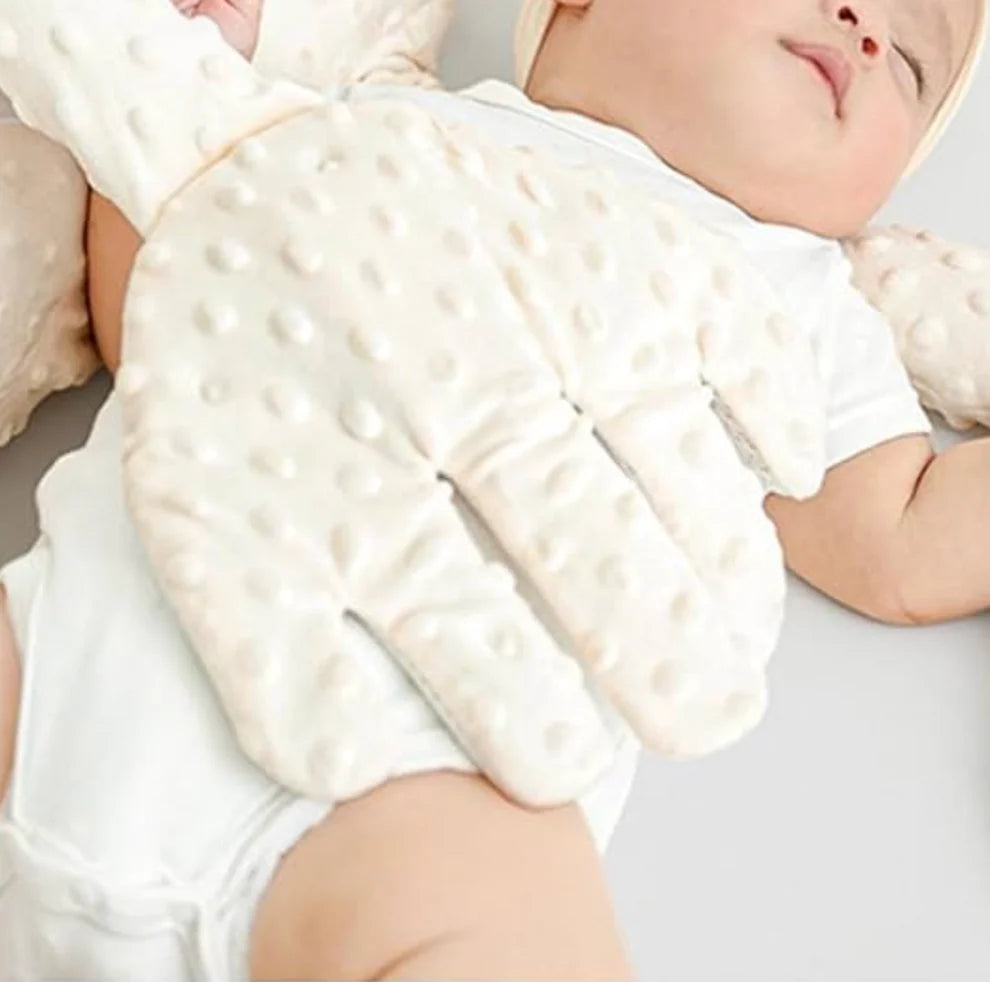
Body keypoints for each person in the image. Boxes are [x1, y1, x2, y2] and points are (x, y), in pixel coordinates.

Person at [0, 0, 983, 977]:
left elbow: (900, 536)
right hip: (84, 633)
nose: (865, 28)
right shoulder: (374, 123)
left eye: (911, 65)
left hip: (408, 782)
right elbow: (165, 302)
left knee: (505, 917)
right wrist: (185, 86)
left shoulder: (804, 300)